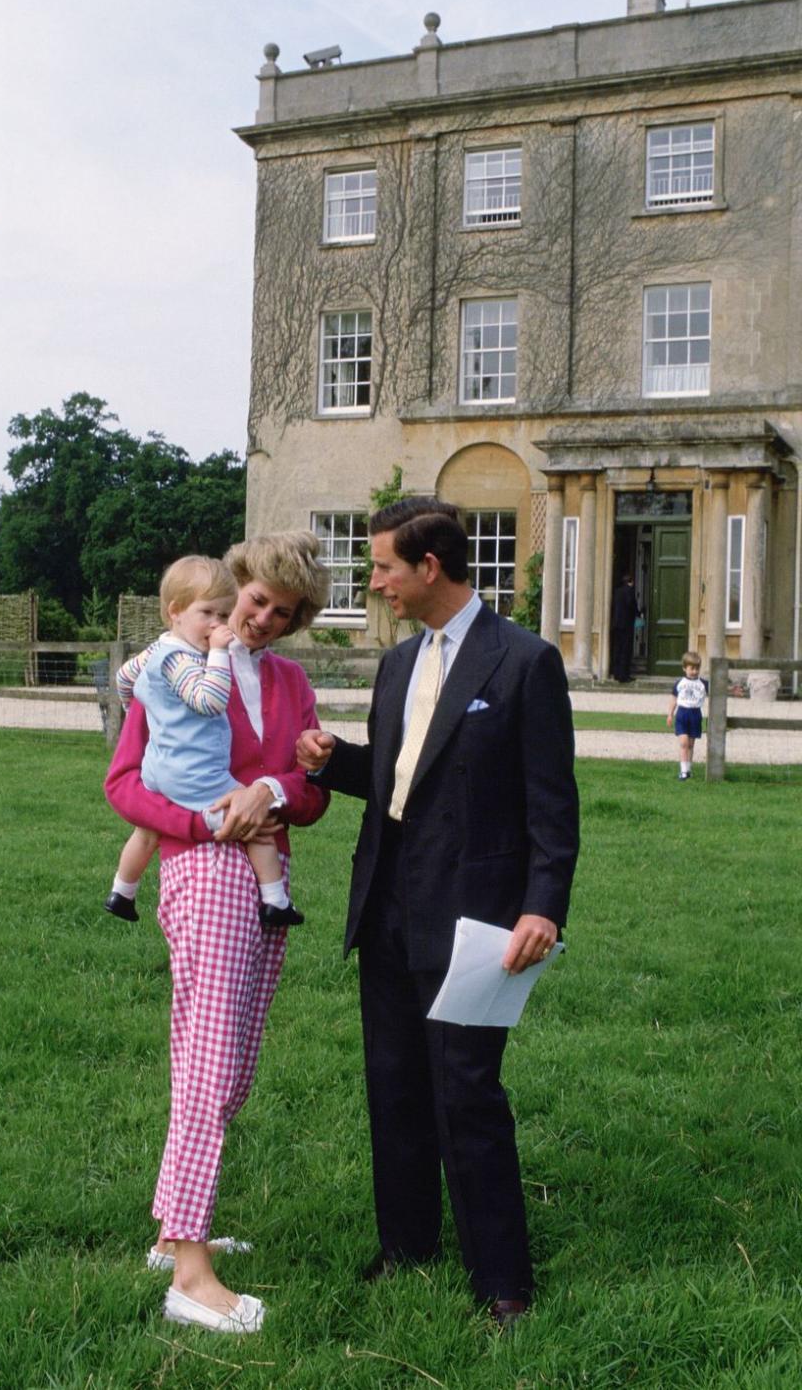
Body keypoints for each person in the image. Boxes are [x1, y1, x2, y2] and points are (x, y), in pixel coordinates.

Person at [296, 498, 579, 1329]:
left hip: (476, 918)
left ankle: (502, 1282)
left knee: (466, 1093)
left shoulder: (524, 663)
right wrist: (333, 762)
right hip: (385, 902)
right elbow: (401, 779)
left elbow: (552, 806)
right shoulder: (396, 665)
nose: (374, 581)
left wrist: (544, 908)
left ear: (430, 568)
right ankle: (407, 1246)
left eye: (382, 566)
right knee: (394, 1086)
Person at [104, 532, 330, 1334]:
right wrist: (202, 827)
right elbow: (124, 782)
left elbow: (310, 796)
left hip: (270, 879)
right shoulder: (175, 662)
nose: (264, 617)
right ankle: (193, 1274)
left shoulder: (294, 682)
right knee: (206, 1060)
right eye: (256, 598)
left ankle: (173, 1232)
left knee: (232, 1065)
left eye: (284, 609)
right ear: (232, 587)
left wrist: (275, 784)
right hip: (202, 872)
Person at [104, 555, 303, 929]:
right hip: (193, 777)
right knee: (256, 827)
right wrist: (217, 654)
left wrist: (142, 707)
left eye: (222, 614)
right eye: (208, 613)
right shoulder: (184, 659)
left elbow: (123, 678)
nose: (217, 623)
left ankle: (122, 892)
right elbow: (210, 701)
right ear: (175, 611)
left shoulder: (155, 650)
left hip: (159, 769)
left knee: (144, 834)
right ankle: (276, 900)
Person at [666, 650, 708, 780]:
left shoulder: (703, 684)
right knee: (683, 743)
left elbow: (718, 690)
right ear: (685, 668)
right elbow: (673, 699)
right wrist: (670, 714)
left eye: (697, 668)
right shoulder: (680, 683)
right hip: (683, 713)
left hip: (695, 714)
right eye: (692, 668)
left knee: (690, 744)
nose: (694, 671)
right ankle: (683, 771)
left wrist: (731, 690)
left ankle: (688, 769)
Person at [610, 572, 639, 683]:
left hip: (616, 624)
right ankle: (624, 675)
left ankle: (616, 673)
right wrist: (638, 613)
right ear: (630, 582)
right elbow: (631, 604)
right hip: (626, 625)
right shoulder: (629, 591)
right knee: (625, 651)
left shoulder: (617, 592)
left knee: (617, 649)